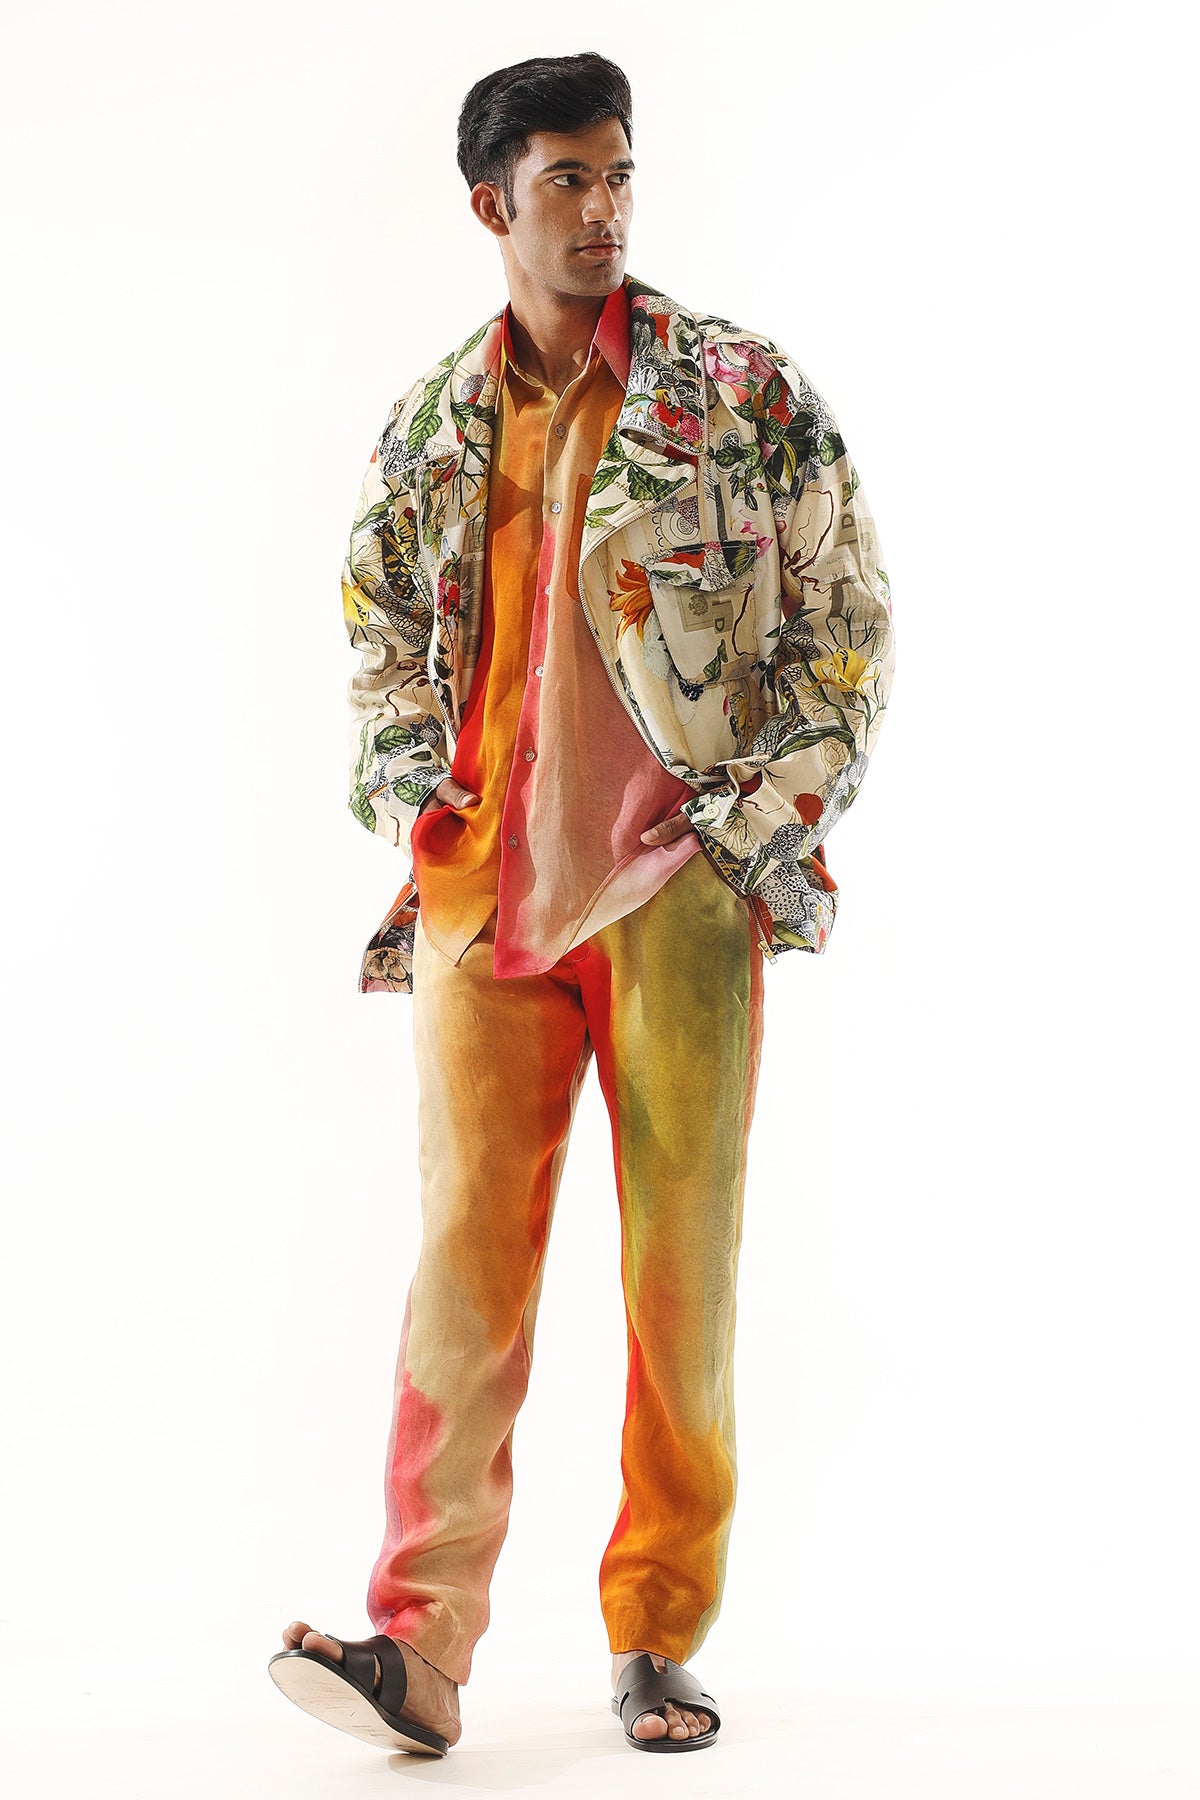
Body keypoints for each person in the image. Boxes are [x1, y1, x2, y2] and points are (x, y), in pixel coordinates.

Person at [268, 50, 895, 1759]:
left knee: (681, 1279)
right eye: (568, 179)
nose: (604, 208)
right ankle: (419, 1649)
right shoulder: (433, 425)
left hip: (676, 894)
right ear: (493, 202)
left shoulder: (738, 395)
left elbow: (846, 623)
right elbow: (379, 638)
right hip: (483, 901)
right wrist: (421, 799)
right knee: (460, 1277)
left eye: (618, 174)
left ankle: (658, 1633)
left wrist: (749, 828)